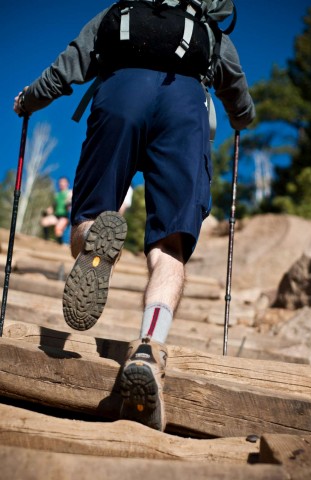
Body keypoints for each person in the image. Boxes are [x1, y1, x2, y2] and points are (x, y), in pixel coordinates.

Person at [13, 0, 255, 432]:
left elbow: (68, 66)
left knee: (90, 217)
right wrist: (243, 117)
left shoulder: (117, 14)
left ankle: (93, 239)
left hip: (121, 93)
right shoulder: (205, 27)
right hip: (185, 108)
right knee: (169, 246)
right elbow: (236, 92)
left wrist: (29, 100)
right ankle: (150, 348)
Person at [41, 177, 72, 244]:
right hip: (56, 215)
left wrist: (68, 203)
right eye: (60, 182)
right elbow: (53, 207)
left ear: (67, 184)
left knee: (58, 229)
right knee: (44, 221)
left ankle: (60, 245)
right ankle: (46, 241)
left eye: (63, 182)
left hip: (65, 216)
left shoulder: (69, 192)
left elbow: (70, 202)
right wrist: (46, 211)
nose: (62, 183)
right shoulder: (57, 195)